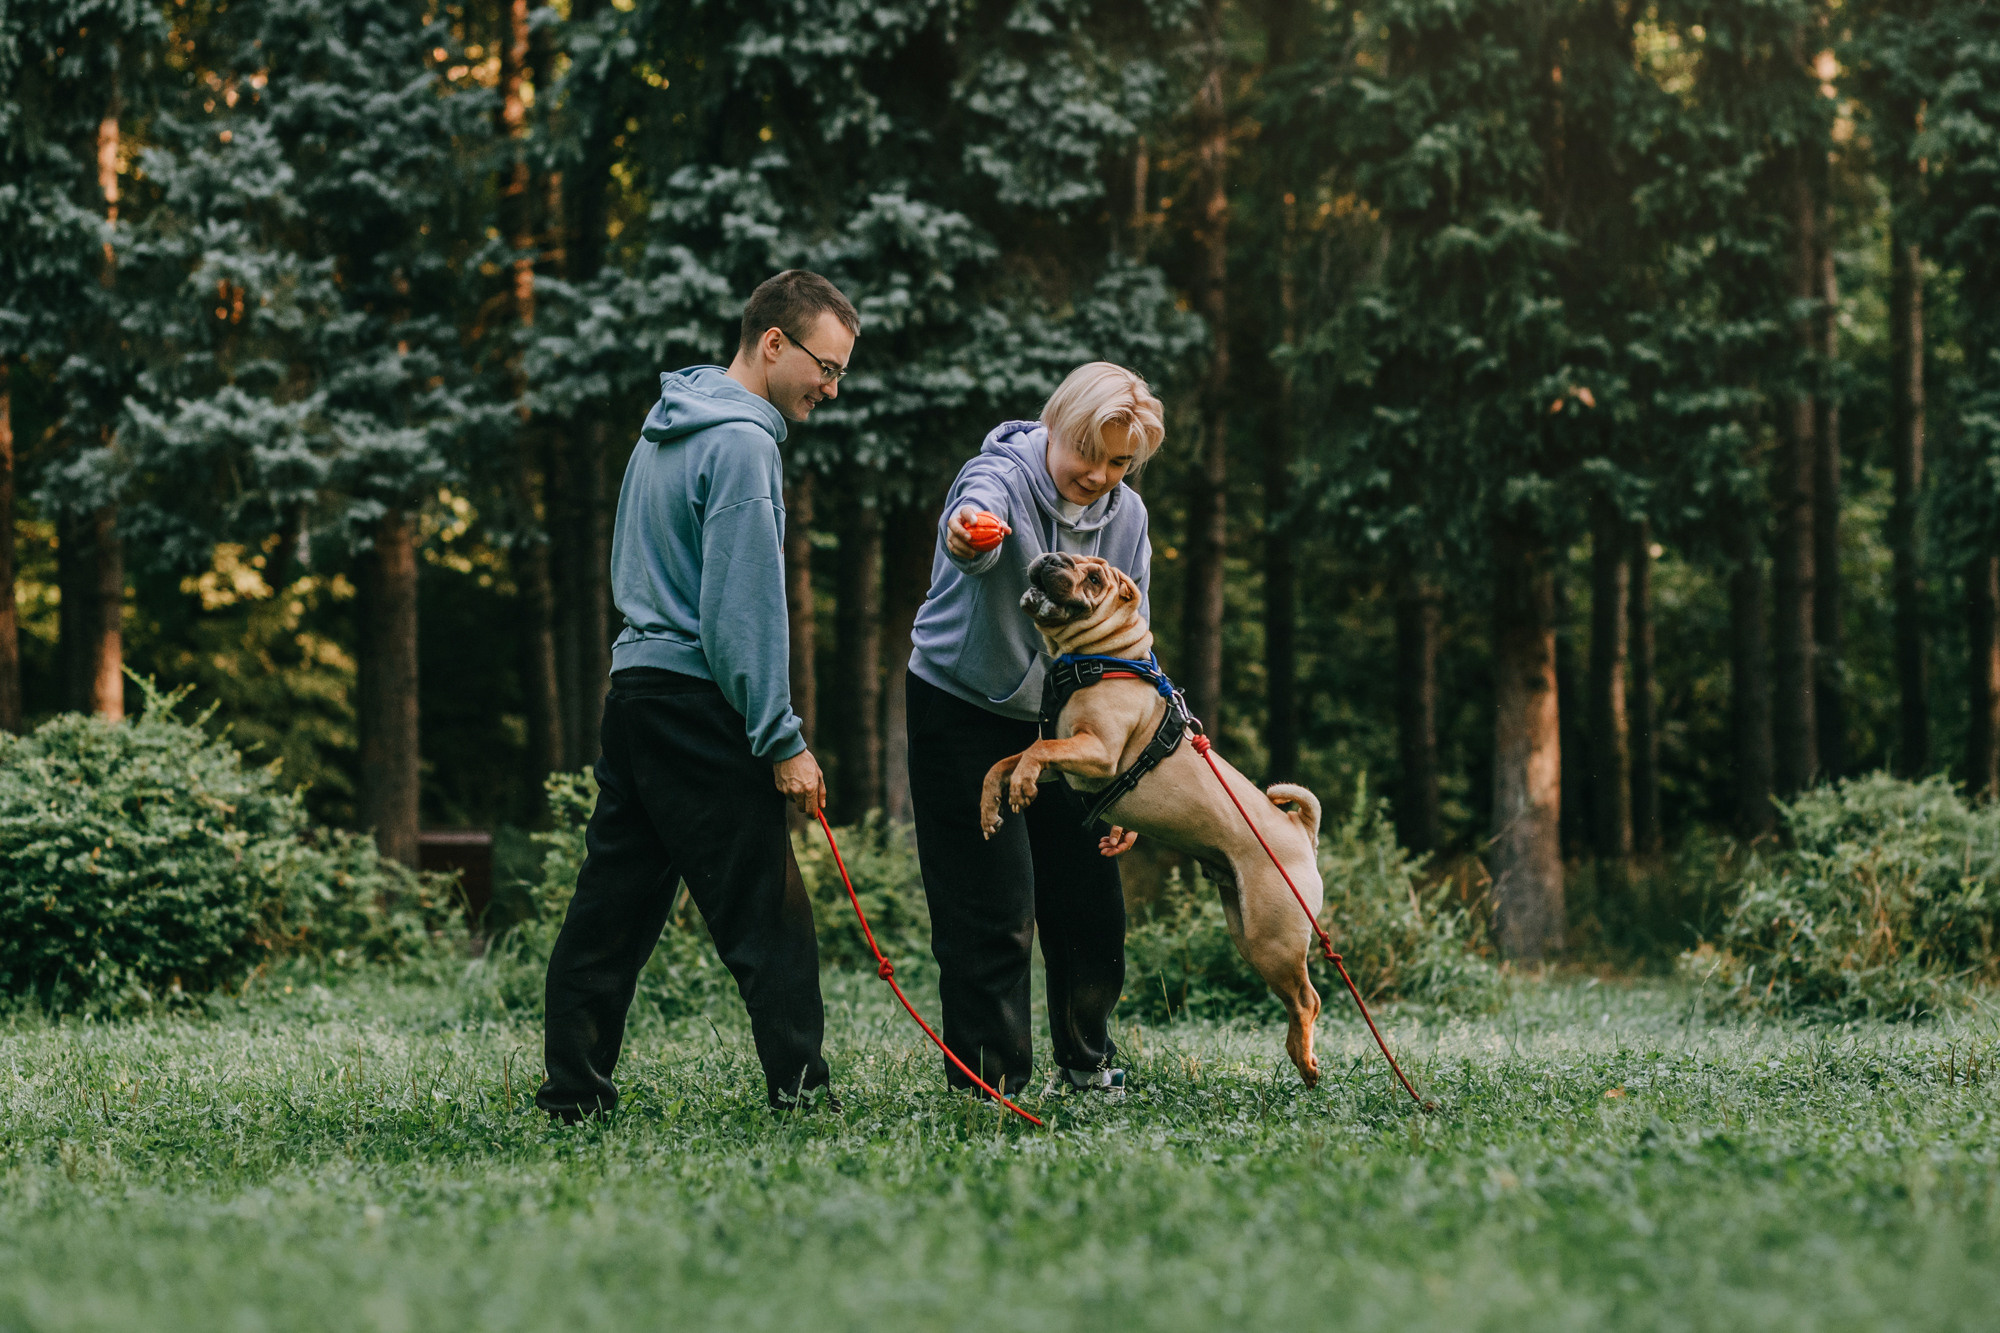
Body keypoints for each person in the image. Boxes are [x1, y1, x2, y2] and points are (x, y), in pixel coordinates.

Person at [537, 270, 858, 1121]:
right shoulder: (745, 446)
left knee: (611, 908)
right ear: (773, 343)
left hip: (636, 693)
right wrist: (781, 737)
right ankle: (802, 1095)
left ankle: (573, 1091)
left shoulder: (663, 431)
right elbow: (741, 610)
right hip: (698, 702)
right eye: (824, 367)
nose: (831, 387)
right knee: (770, 916)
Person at [905, 362, 1166, 1099]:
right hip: (961, 707)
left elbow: (1135, 647)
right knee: (992, 908)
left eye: (1121, 463)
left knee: (1091, 905)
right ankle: (991, 1086)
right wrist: (970, 537)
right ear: (1058, 426)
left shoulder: (1128, 518)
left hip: (1071, 722)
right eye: (1090, 452)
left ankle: (1088, 1063)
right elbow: (971, 532)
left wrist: (1131, 778)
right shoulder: (998, 476)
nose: (1102, 474)